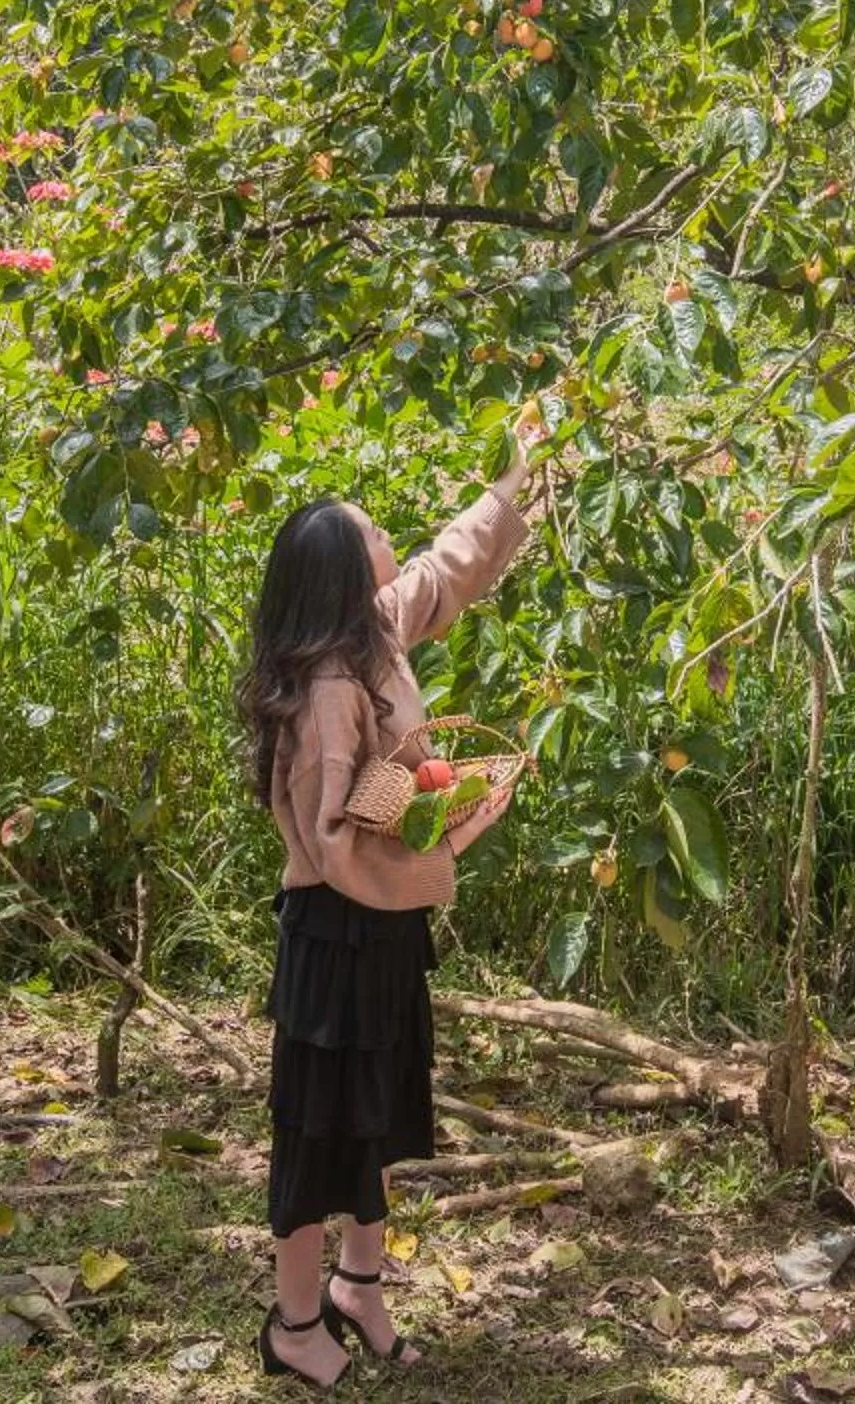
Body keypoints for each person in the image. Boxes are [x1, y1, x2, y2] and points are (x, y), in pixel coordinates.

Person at [237, 426, 540, 1389]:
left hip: (385, 928)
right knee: (317, 1129)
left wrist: (520, 478)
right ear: (339, 572)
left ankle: (358, 1288)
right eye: (372, 534)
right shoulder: (331, 689)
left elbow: (447, 569)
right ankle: (292, 1324)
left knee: (374, 1116)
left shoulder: (371, 636)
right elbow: (335, 845)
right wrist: (449, 834)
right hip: (337, 935)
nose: (389, 542)